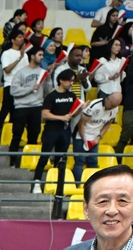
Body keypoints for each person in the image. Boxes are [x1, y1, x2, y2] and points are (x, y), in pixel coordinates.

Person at [33, 68, 79, 208]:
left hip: (65, 131)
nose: (71, 83)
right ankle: (36, 182)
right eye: (69, 80)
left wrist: (82, 108)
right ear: (61, 80)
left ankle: (58, 186)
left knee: (61, 159)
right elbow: (45, 114)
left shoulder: (72, 96)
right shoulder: (51, 96)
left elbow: (74, 113)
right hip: (51, 130)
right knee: (44, 156)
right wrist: (61, 117)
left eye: (73, 81)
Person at [9, 45, 46, 167]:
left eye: (42, 55)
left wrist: (48, 80)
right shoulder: (21, 72)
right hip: (21, 107)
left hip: (36, 106)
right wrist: (30, 89)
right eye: (39, 55)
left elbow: (48, 91)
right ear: (32, 56)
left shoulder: (43, 72)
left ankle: (30, 162)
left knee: (34, 136)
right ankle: (12, 161)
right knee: (17, 135)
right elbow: (13, 91)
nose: (42, 57)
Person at [0, 28, 29, 147]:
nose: (22, 39)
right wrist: (19, 58)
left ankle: (12, 139)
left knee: (17, 114)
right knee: (5, 111)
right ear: (13, 40)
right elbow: (7, 69)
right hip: (10, 85)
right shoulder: (6, 53)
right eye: (19, 37)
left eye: (22, 37)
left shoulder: (25, 55)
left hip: (22, 87)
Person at [73, 92, 121, 183]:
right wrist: (85, 140)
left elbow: (108, 123)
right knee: (80, 162)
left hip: (95, 138)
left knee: (93, 162)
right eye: (111, 105)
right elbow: (81, 123)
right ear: (107, 99)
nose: (111, 107)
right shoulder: (94, 105)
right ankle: (77, 185)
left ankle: (93, 184)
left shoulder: (115, 108)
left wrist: (98, 137)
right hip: (81, 136)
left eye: (114, 106)